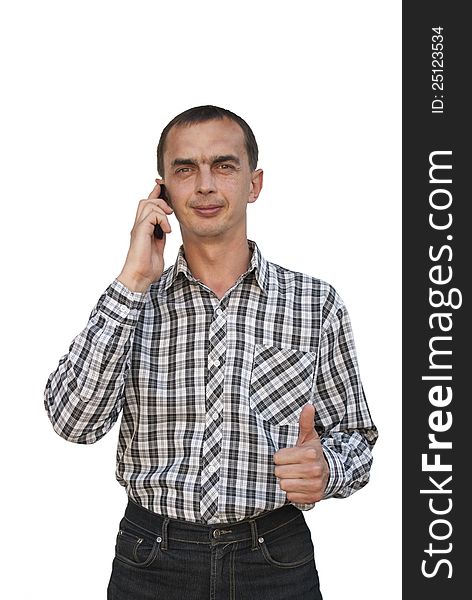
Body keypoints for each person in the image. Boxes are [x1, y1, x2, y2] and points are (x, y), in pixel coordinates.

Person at [44, 105, 378, 599]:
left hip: (274, 558)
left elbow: (357, 441)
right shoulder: (131, 302)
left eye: (223, 165)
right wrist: (134, 279)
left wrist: (328, 469)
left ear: (254, 183)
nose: (204, 185)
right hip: (152, 558)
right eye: (185, 169)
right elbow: (74, 422)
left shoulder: (315, 303)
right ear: (162, 192)